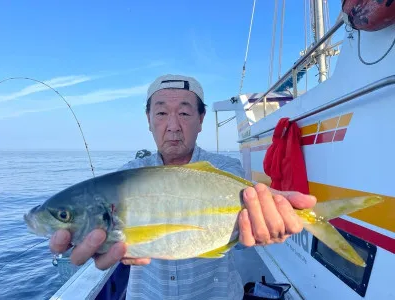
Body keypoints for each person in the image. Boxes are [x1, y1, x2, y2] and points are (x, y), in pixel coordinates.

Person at [49, 74, 316, 299]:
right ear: (149, 119)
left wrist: (265, 227)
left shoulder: (225, 170)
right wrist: (85, 239)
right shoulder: (126, 178)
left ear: (201, 120)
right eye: (162, 113)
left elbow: (239, 242)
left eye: (185, 113)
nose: (173, 126)